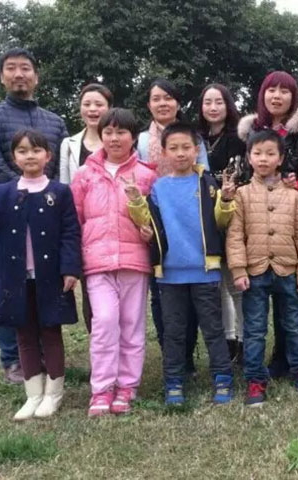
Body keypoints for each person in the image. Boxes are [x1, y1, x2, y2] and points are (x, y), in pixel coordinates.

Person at [0, 129, 81, 420]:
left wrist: (70, 269)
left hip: (50, 278)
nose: (30, 156)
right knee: (24, 335)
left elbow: (70, 232)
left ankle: (53, 394)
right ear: (14, 157)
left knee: (51, 333)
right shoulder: (4, 192)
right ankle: (33, 395)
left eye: (36, 150)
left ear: (48, 156)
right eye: (22, 151)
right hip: (15, 278)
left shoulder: (60, 192)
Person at [0, 47, 69, 384]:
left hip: (47, 216)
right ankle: (13, 359)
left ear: (36, 76)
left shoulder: (55, 122)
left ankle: (42, 354)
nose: (19, 74)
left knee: (44, 283)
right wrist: (21, 193)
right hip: (8, 214)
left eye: (25, 68)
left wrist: (46, 196)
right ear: (2, 77)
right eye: (11, 68)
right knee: (9, 284)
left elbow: (59, 166)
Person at [127, 122, 235, 406]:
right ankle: (173, 382)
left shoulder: (208, 184)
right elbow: (147, 221)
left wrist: (226, 200)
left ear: (196, 150)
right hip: (169, 274)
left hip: (205, 271)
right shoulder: (159, 188)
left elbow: (221, 221)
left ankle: (223, 378)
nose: (180, 153)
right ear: (163, 152)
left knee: (213, 330)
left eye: (186, 147)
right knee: (173, 332)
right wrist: (135, 201)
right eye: (173, 148)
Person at [70, 109, 157, 416]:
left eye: (121, 132)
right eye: (108, 132)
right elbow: (74, 221)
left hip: (135, 262)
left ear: (133, 137)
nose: (114, 138)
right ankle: (102, 388)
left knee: (132, 326)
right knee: (104, 323)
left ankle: (127, 387)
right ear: (101, 135)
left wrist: (150, 233)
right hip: (97, 263)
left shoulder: (147, 175)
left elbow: (155, 222)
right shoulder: (84, 174)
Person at [226, 129, 298, 407]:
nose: (263, 159)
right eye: (257, 153)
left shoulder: (293, 196)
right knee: (255, 328)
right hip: (254, 271)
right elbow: (235, 235)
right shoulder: (242, 194)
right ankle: (255, 379)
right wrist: (239, 270)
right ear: (249, 157)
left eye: (270, 153)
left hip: (287, 270)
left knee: (294, 325)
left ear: (280, 159)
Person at [236, 71, 298, 379]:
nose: (277, 96)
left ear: (293, 97)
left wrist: (296, 186)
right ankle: (259, 369)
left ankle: (289, 362)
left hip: (290, 209)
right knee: (258, 315)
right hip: (254, 214)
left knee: (290, 310)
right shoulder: (251, 130)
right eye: (271, 90)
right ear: (263, 95)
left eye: (285, 91)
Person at [137, 78, 207, 373]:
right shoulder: (142, 140)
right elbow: (139, 178)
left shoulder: (194, 137)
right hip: (156, 222)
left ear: (178, 103)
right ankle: (171, 355)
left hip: (189, 225)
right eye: (156, 98)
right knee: (160, 294)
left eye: (168, 97)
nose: (162, 103)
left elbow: (204, 179)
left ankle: (187, 354)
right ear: (149, 104)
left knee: (191, 296)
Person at [59, 83, 113, 333]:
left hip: (113, 226)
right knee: (92, 290)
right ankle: (99, 343)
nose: (93, 109)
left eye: (99, 104)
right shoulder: (68, 144)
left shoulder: (117, 140)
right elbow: (64, 187)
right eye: (87, 104)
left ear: (109, 108)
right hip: (82, 227)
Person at [198, 83, 246, 362]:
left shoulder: (239, 137)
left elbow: (241, 175)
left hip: (232, 213)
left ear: (228, 105)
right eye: (208, 102)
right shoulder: (195, 138)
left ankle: (243, 340)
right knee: (216, 286)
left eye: (219, 102)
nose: (213, 107)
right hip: (203, 216)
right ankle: (228, 340)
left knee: (234, 281)